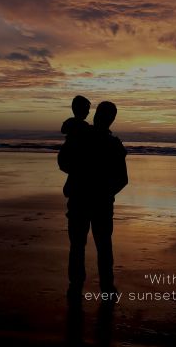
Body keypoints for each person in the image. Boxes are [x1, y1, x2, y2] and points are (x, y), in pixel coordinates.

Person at [58, 101, 128, 302]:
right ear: (111, 119)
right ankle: (105, 288)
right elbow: (122, 179)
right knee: (102, 246)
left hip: (82, 199)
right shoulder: (111, 143)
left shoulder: (81, 136)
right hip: (100, 203)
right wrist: (106, 192)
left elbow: (63, 162)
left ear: (97, 115)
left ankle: (77, 287)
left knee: (79, 245)